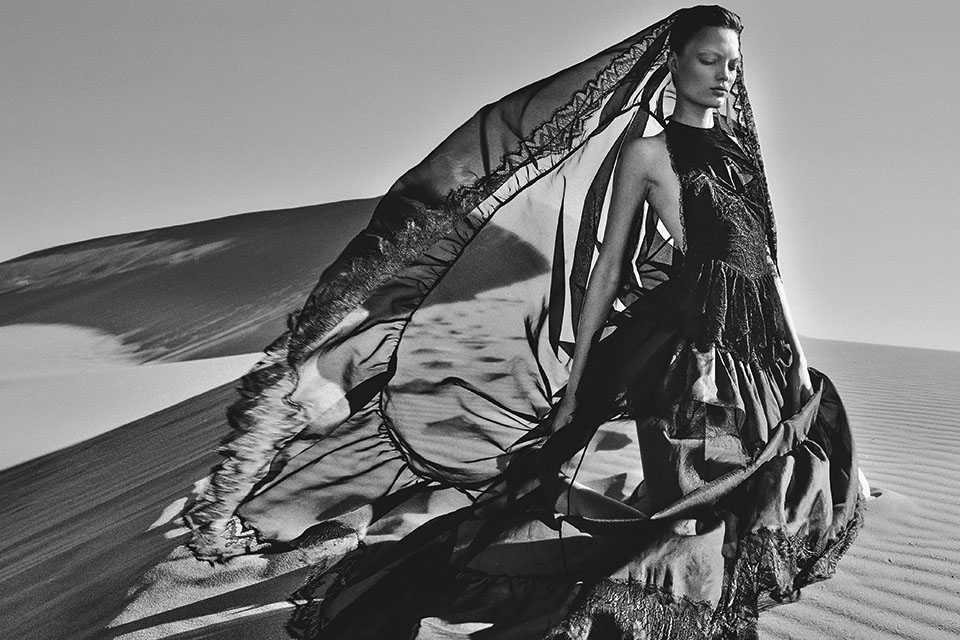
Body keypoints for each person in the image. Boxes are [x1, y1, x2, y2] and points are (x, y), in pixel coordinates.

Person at [181, 5, 865, 639]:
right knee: (693, 497)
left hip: (757, 345)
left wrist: (797, 357)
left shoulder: (741, 152)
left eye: (733, 65)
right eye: (710, 60)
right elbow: (607, 269)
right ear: (675, 62)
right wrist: (577, 380)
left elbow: (765, 264)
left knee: (764, 485)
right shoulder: (649, 154)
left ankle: (686, 603)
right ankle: (638, 604)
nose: (724, 77)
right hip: (691, 347)